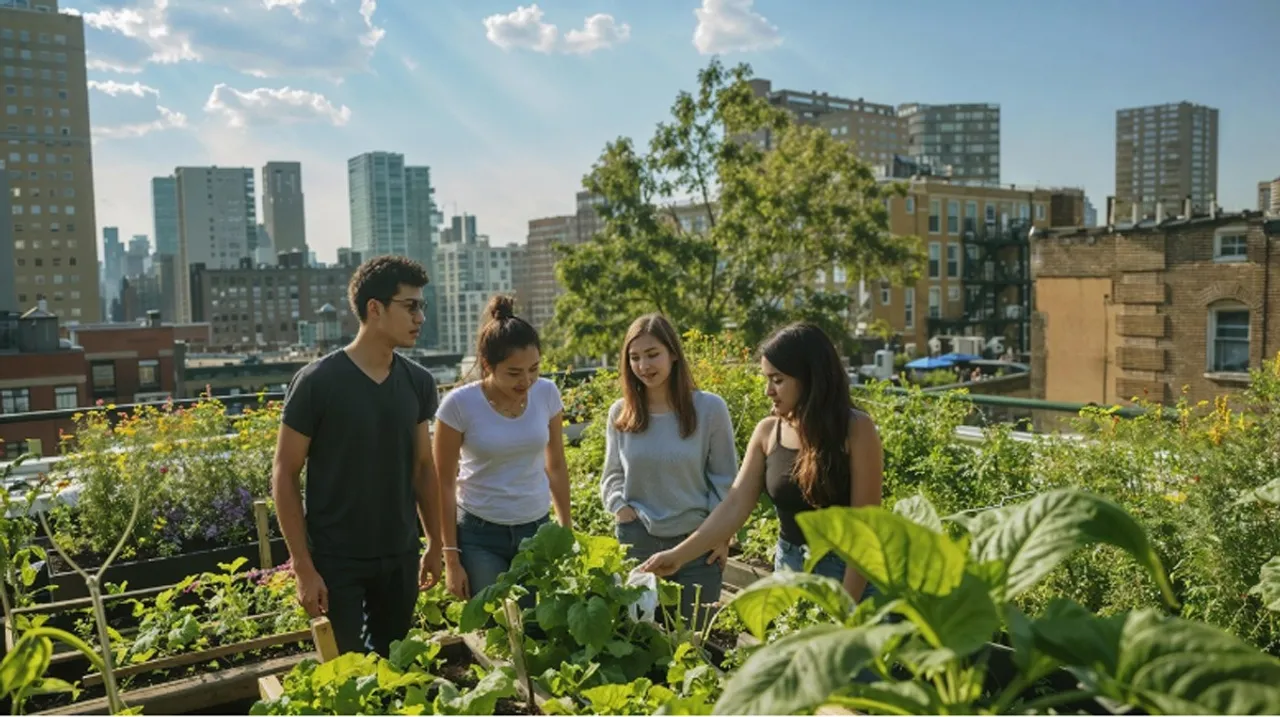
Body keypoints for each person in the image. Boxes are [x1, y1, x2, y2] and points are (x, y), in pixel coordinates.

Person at [272, 255, 442, 656]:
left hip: (400, 555)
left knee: (395, 665)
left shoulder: (418, 382)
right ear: (374, 308)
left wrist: (435, 542)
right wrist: (303, 566)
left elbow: (423, 468)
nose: (420, 317)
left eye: (423, 306)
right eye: (411, 305)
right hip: (336, 562)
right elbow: (284, 473)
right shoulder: (317, 382)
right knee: (346, 675)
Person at [641, 322, 884, 601]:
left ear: (810, 378)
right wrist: (678, 555)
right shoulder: (768, 432)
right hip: (789, 570)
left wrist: (846, 608)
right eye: (766, 379)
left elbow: (865, 530)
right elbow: (734, 505)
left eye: (778, 380)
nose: (768, 390)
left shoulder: (856, 429)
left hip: (848, 574)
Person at [600, 314, 738, 628]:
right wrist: (621, 510)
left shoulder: (709, 409)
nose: (643, 366)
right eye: (634, 358)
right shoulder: (620, 413)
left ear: (673, 354)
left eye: (652, 355)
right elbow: (612, 474)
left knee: (692, 643)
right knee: (640, 639)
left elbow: (725, 480)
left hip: (697, 543)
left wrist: (721, 535)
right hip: (638, 541)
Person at [434, 295, 572, 600]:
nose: (527, 380)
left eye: (534, 369)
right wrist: (451, 559)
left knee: (539, 626)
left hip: (537, 529)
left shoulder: (547, 394)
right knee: (496, 626)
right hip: (479, 535)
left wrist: (566, 528)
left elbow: (557, 466)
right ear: (487, 365)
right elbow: (442, 483)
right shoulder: (458, 405)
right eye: (514, 372)